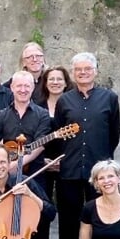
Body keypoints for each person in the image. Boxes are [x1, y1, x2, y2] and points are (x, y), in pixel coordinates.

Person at [54, 53, 120, 239]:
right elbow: (59, 134)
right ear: (73, 72)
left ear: (95, 71)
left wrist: (102, 160)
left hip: (98, 173)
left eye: (87, 69)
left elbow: (113, 136)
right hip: (69, 170)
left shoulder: (109, 98)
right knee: (69, 223)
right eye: (78, 69)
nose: (83, 73)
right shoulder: (64, 101)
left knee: (100, 221)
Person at [33, 66, 75, 201]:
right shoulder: (37, 107)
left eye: (59, 79)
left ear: (66, 82)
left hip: (67, 162)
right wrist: (42, 160)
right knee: (41, 202)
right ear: (45, 83)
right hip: (41, 161)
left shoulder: (73, 107)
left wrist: (64, 161)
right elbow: (32, 136)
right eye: (51, 79)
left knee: (67, 205)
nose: (55, 82)